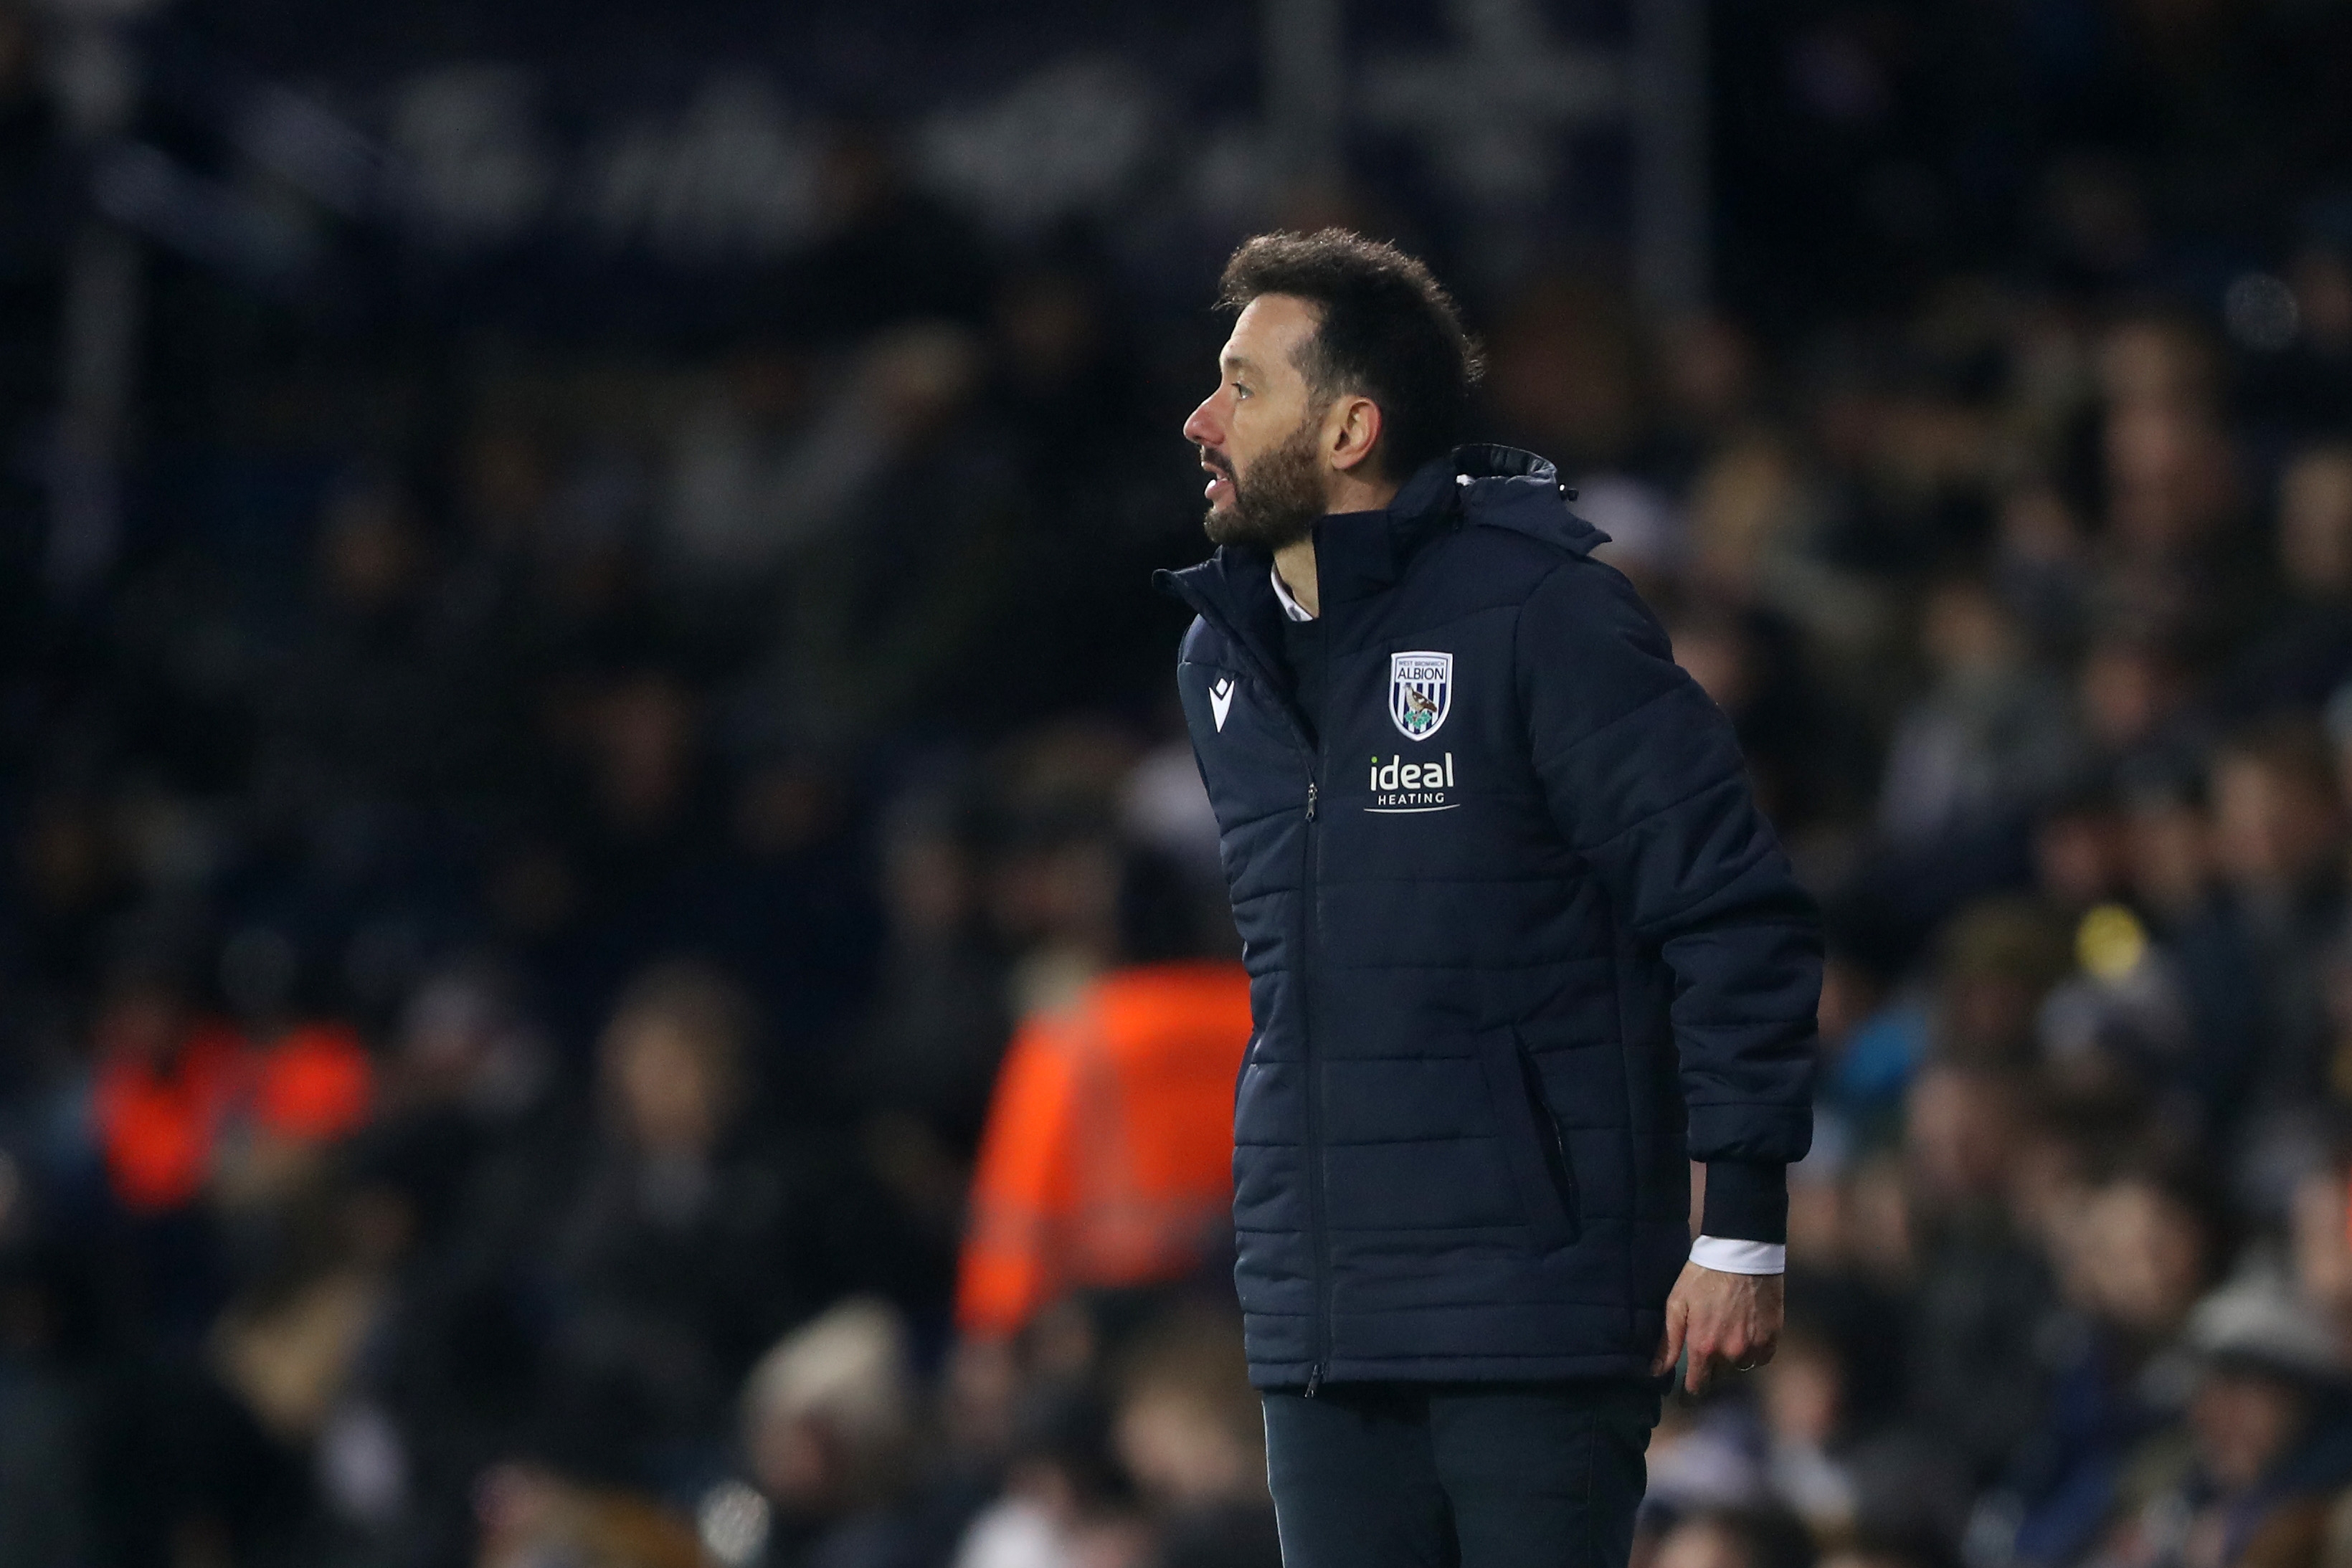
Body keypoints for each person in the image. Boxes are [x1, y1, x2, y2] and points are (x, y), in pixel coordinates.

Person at [1157, 227, 1818, 1567]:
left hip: (1535, 1308)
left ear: (1350, 427)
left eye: (1243, 384)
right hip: (1324, 1319)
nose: (1201, 418)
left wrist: (1741, 1221)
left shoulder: (1544, 617)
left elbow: (1731, 910)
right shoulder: (1217, 662)